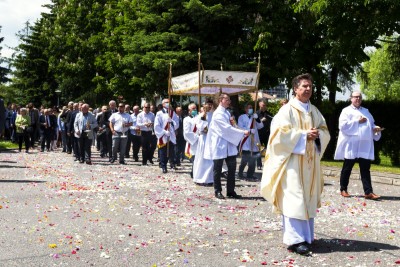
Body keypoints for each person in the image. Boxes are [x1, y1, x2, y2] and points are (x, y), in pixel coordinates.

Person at [260, 73, 330, 256]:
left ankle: (306, 237)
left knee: (307, 198)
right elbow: (278, 135)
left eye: (310, 86)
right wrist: (302, 136)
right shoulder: (287, 110)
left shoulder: (314, 110)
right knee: (294, 199)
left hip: (310, 164)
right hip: (292, 164)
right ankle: (294, 240)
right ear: (295, 89)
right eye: (304, 86)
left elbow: (325, 131)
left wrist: (318, 136)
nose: (308, 89)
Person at [334, 91, 383, 200]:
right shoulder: (346, 111)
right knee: (347, 167)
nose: (358, 99)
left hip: (364, 145)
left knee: (365, 168)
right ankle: (343, 189)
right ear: (351, 98)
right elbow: (342, 126)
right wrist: (357, 121)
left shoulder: (366, 111)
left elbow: (372, 123)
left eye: (359, 97)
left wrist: (376, 128)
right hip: (352, 144)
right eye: (355, 97)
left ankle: (368, 192)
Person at [204, 93, 250, 199]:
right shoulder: (218, 114)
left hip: (229, 144)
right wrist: (242, 132)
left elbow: (231, 126)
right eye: (227, 99)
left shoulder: (227, 113)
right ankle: (217, 191)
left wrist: (235, 126)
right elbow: (225, 129)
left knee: (232, 168)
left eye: (229, 99)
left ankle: (230, 190)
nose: (229, 101)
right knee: (218, 168)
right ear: (221, 100)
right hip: (220, 144)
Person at [237, 103, 264, 180]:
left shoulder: (254, 117)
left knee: (253, 160)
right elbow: (240, 127)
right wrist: (249, 130)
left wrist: (258, 118)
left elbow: (261, 126)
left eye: (251, 108)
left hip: (254, 140)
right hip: (246, 140)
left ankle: (250, 174)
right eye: (249, 108)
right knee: (245, 160)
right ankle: (240, 173)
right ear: (245, 109)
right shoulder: (241, 117)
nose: (251, 109)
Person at [154, 98, 179, 173]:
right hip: (163, 135)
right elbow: (157, 125)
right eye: (166, 102)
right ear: (163, 104)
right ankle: (163, 166)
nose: (168, 103)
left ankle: (170, 163)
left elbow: (177, 124)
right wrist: (164, 131)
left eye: (168, 102)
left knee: (170, 151)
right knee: (163, 151)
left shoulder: (172, 113)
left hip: (170, 135)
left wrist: (172, 121)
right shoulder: (159, 113)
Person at [193, 100, 214, 185]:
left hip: (211, 139)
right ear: (204, 105)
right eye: (208, 104)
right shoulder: (200, 116)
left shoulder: (213, 115)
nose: (209, 106)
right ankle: (199, 178)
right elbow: (199, 127)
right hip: (204, 138)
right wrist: (204, 124)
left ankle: (209, 179)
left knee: (210, 159)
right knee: (202, 158)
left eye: (210, 104)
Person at [183, 103, 199, 179]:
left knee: (198, 160)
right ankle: (194, 174)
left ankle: (194, 173)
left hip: (200, 142)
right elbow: (186, 132)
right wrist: (197, 136)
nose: (195, 110)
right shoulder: (186, 119)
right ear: (189, 110)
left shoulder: (199, 117)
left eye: (196, 108)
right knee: (194, 159)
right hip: (192, 143)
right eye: (193, 109)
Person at [256, 99, 273, 170]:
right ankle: (259, 164)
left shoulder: (269, 114)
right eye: (263, 105)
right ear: (259, 104)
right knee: (258, 150)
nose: (264, 106)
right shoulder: (256, 114)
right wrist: (260, 121)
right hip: (259, 134)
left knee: (269, 149)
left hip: (267, 133)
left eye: (265, 105)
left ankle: (268, 163)